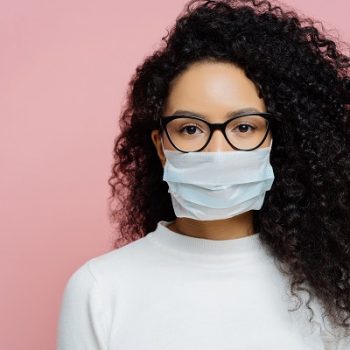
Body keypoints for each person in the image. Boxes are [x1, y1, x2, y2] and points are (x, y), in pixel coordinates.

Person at [56, 0, 350, 349]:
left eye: (243, 126)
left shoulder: (335, 286)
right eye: (190, 129)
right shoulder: (100, 290)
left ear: (275, 140)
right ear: (162, 146)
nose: (217, 153)